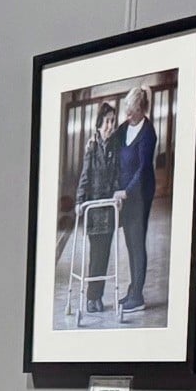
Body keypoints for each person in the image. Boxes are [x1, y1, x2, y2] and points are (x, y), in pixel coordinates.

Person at [117, 85, 158, 315]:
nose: (128, 114)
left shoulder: (148, 133)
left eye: (132, 111)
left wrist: (126, 191)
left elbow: (143, 169)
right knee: (129, 242)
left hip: (140, 195)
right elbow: (111, 144)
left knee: (137, 242)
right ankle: (132, 290)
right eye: (127, 109)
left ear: (142, 110)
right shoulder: (124, 128)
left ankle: (138, 296)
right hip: (124, 194)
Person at [79, 101, 123, 308]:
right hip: (94, 209)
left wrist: (117, 193)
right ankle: (91, 297)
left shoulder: (116, 145)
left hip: (110, 207)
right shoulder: (92, 146)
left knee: (104, 253)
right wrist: (79, 201)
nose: (110, 126)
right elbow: (85, 176)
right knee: (95, 254)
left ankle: (98, 297)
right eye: (107, 121)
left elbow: (118, 174)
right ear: (99, 123)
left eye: (113, 121)